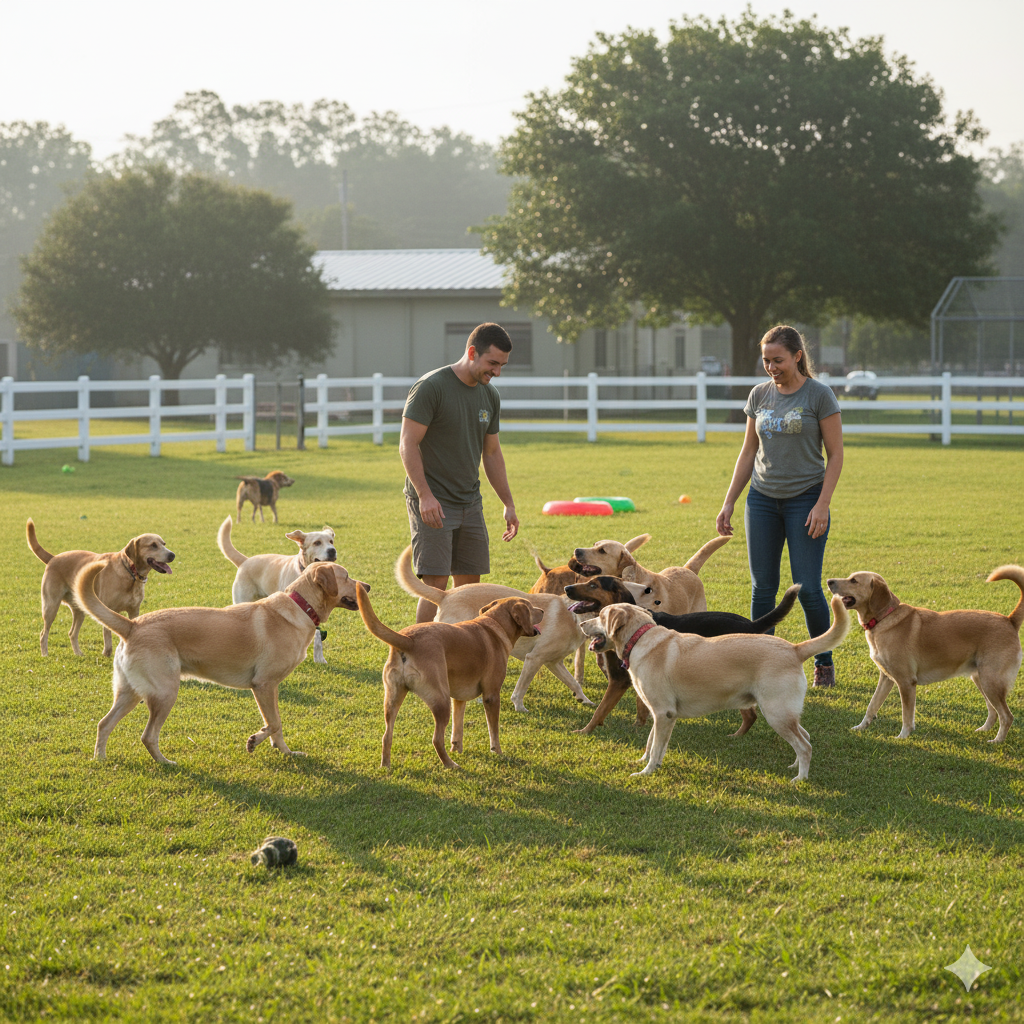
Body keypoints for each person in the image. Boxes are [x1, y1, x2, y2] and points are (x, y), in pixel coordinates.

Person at [715, 325, 844, 688]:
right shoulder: (759, 394)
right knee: (762, 589)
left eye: (778, 360)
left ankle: (823, 662)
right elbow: (748, 452)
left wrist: (822, 504)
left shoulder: (819, 395)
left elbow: (835, 455)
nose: (771, 367)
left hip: (806, 500)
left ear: (797, 356)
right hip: (761, 500)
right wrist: (729, 501)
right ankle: (760, 663)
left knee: (809, 588)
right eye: (766, 360)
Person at [400, 322, 520, 623]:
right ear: (472, 352)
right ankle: (420, 646)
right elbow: (407, 444)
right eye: (493, 363)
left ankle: (460, 646)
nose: (497, 372)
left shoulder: (489, 396)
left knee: (469, 588)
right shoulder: (431, 387)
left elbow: (491, 453)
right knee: (435, 585)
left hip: (470, 501)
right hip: (434, 500)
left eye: (502, 365)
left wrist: (508, 503)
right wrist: (425, 496)